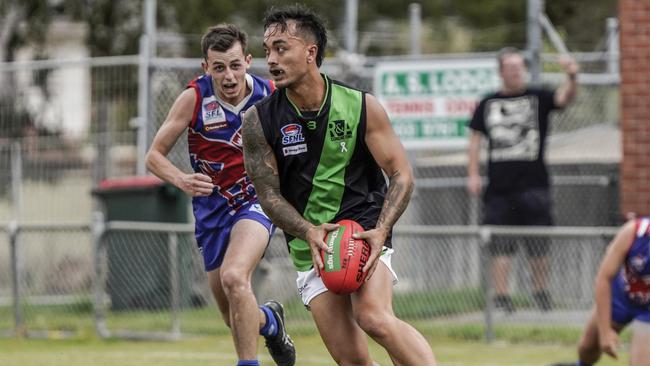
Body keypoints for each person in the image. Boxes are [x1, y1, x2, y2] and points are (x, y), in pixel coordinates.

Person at [242, 5, 437, 366]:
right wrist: (308, 230)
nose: (271, 59)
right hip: (308, 243)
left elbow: (401, 174)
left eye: (282, 48)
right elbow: (267, 194)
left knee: (374, 318)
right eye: (268, 50)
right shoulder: (258, 121)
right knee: (352, 361)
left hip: (363, 230)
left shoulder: (361, 106)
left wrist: (381, 230)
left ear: (310, 52)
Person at [145, 24, 295, 366]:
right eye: (219, 68)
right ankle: (270, 322)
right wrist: (182, 179)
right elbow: (153, 156)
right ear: (205, 68)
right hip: (211, 211)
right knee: (234, 317)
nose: (229, 76)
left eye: (235, 65)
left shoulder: (271, 95)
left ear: (248, 60)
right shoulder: (194, 98)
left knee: (234, 276)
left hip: (255, 202)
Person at [467, 47, 579, 313]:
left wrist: (573, 77)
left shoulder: (538, 97)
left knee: (539, 245)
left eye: (519, 67)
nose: (516, 72)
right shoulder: (487, 103)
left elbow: (564, 98)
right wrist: (472, 173)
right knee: (501, 247)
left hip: (534, 186)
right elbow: (474, 140)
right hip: (499, 189)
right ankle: (502, 298)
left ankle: (540, 294)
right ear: (501, 71)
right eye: (510, 67)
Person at [552, 217, 650, 366]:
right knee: (587, 348)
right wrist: (605, 333)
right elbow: (603, 278)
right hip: (621, 297)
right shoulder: (634, 232)